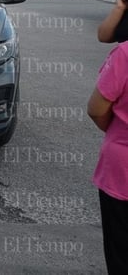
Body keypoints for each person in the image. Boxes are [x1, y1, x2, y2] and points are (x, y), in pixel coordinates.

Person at [87, 39, 128, 273]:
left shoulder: (124, 54)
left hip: (122, 171)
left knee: (121, 253)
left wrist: (118, 131)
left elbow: (96, 109)